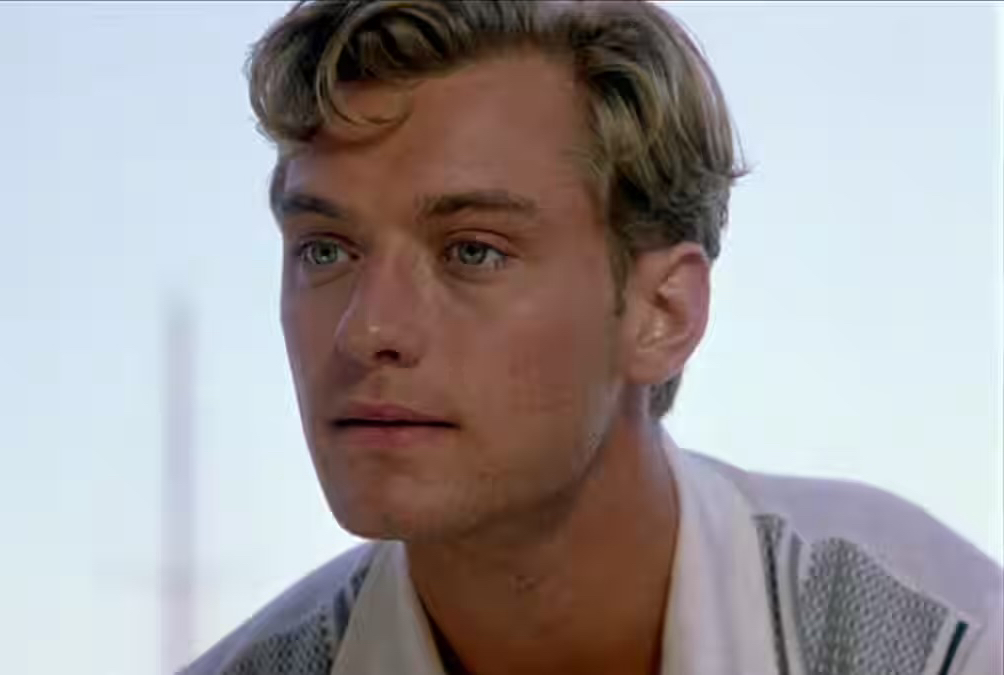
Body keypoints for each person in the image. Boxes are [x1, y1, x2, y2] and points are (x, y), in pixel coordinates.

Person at [183, 1, 1003, 673]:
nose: (367, 328)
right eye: (325, 251)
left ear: (662, 313)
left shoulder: (937, 642)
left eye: (474, 250)